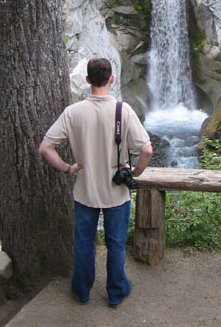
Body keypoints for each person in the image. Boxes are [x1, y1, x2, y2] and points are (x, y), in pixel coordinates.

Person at [39, 57, 153, 308]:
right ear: (111, 79)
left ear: (88, 80)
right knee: (115, 245)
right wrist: (135, 172)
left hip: (85, 192)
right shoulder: (124, 111)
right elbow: (146, 150)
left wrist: (68, 168)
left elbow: (46, 148)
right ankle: (116, 292)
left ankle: (81, 291)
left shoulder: (73, 112)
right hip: (116, 193)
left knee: (83, 244)